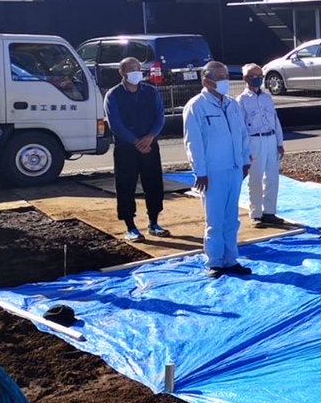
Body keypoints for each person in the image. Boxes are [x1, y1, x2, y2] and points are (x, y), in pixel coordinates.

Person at [183, 61, 252, 278]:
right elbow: (193, 142)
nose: (225, 81)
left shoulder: (232, 104)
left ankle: (231, 259)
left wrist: (244, 160)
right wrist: (200, 171)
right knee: (215, 218)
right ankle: (215, 261)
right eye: (220, 77)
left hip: (234, 168)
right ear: (207, 80)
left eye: (226, 76)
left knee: (231, 217)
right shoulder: (197, 106)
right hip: (213, 171)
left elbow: (242, 134)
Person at [103, 56, 170, 242]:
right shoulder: (113, 95)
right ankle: (130, 226)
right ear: (122, 72)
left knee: (154, 184)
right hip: (126, 148)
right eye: (131, 69)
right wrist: (135, 142)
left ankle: (154, 222)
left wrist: (150, 137)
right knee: (126, 186)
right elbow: (115, 124)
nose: (136, 72)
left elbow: (160, 116)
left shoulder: (151, 91)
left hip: (150, 146)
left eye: (138, 68)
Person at [237, 63, 286, 228]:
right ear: (245, 79)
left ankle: (269, 212)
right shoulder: (241, 100)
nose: (258, 80)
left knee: (272, 178)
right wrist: (245, 150)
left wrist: (279, 142)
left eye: (260, 76)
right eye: (254, 77)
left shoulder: (267, 97)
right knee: (255, 178)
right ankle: (256, 213)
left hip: (270, 138)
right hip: (254, 140)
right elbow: (241, 127)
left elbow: (275, 120)